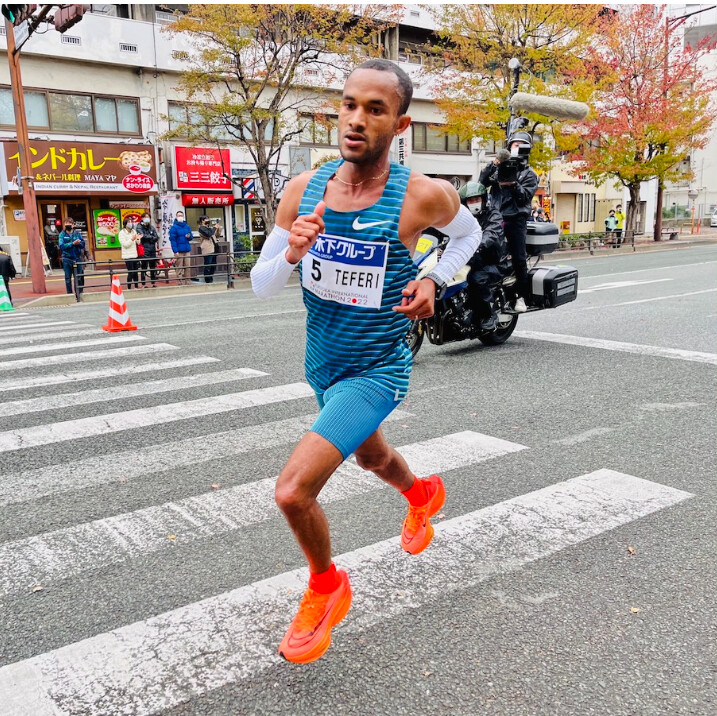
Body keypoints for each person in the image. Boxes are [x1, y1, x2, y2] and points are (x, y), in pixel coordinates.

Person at [251, 58, 482, 664]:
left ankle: (327, 586)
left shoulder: (423, 194)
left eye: (375, 109)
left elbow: (469, 235)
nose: (356, 119)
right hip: (323, 364)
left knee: (292, 492)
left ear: (399, 124)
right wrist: (291, 254)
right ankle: (422, 494)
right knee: (372, 456)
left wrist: (433, 279)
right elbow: (262, 285)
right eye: (349, 105)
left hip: (378, 369)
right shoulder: (303, 191)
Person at [479, 131, 538, 314]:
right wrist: (494, 164)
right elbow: (482, 182)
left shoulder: (529, 174)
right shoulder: (499, 169)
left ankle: (521, 296)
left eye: (521, 145)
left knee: (519, 258)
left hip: (516, 219)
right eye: (514, 144)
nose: (517, 147)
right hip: (495, 217)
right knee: (486, 253)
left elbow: (524, 198)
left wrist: (513, 184)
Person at [459, 182, 512, 332]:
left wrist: (479, 244)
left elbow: (492, 233)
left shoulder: (493, 215)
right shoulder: (463, 217)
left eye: (477, 199)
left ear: (483, 199)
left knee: (476, 278)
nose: (474, 203)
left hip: (494, 261)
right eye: (470, 200)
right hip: (473, 259)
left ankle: (489, 314)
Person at [58, 218, 85, 295]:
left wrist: (79, 243)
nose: (68, 225)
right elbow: (61, 246)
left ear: (73, 225)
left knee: (79, 277)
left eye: (70, 224)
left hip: (77, 258)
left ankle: (79, 294)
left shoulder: (77, 234)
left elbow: (83, 244)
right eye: (66, 224)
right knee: (68, 278)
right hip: (67, 259)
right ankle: (69, 295)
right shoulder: (62, 234)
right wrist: (72, 244)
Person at [136, 212, 160, 287]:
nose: (147, 218)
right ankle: (143, 284)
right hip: (144, 249)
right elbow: (142, 236)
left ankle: (153, 283)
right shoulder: (139, 227)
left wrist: (150, 237)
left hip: (152, 249)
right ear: (142, 218)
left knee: (153, 267)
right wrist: (151, 237)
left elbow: (156, 237)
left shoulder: (151, 227)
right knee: (144, 267)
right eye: (145, 217)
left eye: (148, 217)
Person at [169, 210, 192, 285]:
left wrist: (189, 236)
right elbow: (173, 240)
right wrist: (175, 251)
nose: (180, 217)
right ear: (176, 217)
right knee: (179, 267)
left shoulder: (187, 226)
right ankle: (179, 282)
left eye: (181, 215)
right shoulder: (174, 227)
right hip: (179, 250)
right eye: (179, 215)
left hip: (187, 249)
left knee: (187, 266)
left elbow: (191, 236)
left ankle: (188, 281)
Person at [118, 216, 141, 290]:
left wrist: (138, 238)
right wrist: (132, 239)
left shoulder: (133, 231)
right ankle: (129, 287)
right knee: (130, 272)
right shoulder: (122, 233)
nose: (130, 223)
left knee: (136, 272)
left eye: (131, 222)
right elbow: (125, 244)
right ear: (125, 224)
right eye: (129, 222)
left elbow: (138, 243)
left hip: (134, 254)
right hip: (127, 255)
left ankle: (136, 286)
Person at [198, 215, 218, 283]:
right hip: (207, 249)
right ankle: (207, 279)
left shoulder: (209, 228)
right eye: (207, 219)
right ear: (202, 221)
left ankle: (211, 277)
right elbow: (208, 234)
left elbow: (216, 235)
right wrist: (214, 228)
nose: (208, 221)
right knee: (208, 264)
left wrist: (218, 228)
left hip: (214, 248)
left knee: (213, 265)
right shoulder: (201, 228)